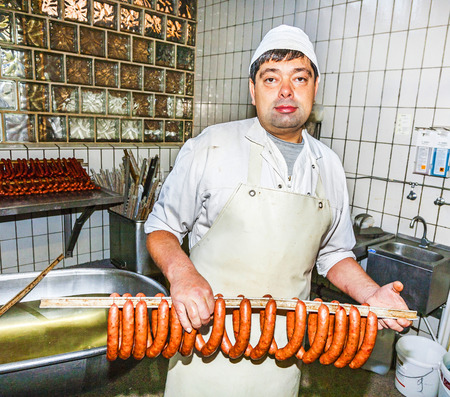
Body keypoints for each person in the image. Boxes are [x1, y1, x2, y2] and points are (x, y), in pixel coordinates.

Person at [144, 24, 411, 397]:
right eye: (271, 79)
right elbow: (161, 227)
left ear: (314, 88)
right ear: (253, 90)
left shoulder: (329, 165)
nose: (286, 90)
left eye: (299, 78)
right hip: (205, 342)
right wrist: (182, 274)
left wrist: (371, 294)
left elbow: (333, 253)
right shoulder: (212, 146)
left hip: (283, 350)